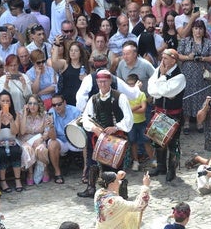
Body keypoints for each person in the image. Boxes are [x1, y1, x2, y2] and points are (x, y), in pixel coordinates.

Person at [78, 69, 133, 197]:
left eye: (105, 81)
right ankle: (93, 189)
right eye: (100, 82)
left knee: (116, 166)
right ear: (96, 82)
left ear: (110, 81)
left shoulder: (120, 97)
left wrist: (116, 127)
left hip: (117, 138)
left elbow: (129, 119)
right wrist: (94, 129)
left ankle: (120, 193)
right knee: (94, 161)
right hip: (99, 137)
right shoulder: (94, 99)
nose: (102, 84)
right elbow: (86, 117)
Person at [147, 49, 186, 181]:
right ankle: (161, 166)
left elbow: (165, 91)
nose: (162, 61)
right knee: (158, 141)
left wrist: (162, 79)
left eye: (166, 58)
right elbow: (152, 90)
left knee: (172, 143)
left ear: (174, 60)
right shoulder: (158, 70)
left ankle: (172, 170)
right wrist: (162, 88)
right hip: (159, 112)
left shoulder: (180, 76)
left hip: (173, 115)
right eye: (162, 58)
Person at [0, 91, 23, 192]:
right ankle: (3, 181)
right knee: (1, 153)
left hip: (11, 141)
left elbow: (15, 132)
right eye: (3, 101)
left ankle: (18, 180)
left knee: (16, 151)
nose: (5, 103)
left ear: (11, 102)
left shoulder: (15, 113)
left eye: (7, 101)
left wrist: (12, 120)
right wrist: (0, 119)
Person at [47, 93, 81, 182]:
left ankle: (86, 171)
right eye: (54, 105)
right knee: (52, 143)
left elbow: (82, 131)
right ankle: (57, 173)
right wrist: (51, 126)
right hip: (61, 140)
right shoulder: (51, 113)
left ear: (64, 103)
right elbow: (53, 137)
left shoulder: (75, 111)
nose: (57, 107)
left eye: (59, 104)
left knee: (86, 140)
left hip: (74, 139)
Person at [18, 94, 52, 184]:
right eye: (30, 103)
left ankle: (45, 169)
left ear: (39, 105)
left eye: (35, 104)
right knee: (27, 149)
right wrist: (25, 113)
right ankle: (30, 173)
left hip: (39, 138)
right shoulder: (21, 114)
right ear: (26, 105)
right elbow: (21, 132)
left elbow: (47, 130)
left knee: (41, 149)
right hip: (25, 139)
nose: (32, 106)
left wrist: (42, 139)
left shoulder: (44, 114)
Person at [126, 73, 154, 171]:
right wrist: (138, 106)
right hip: (131, 123)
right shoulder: (125, 95)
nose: (130, 86)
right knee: (133, 142)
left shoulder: (141, 94)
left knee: (146, 141)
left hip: (141, 122)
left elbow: (143, 109)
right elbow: (136, 108)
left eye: (132, 84)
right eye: (128, 84)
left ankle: (153, 160)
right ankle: (135, 161)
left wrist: (132, 109)